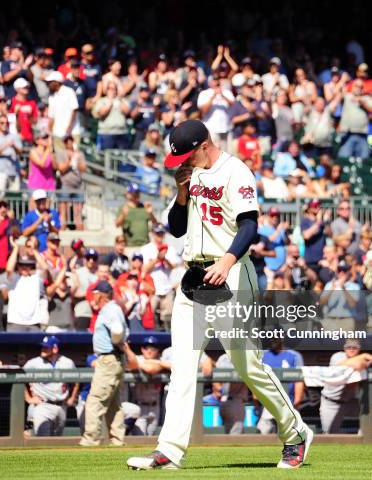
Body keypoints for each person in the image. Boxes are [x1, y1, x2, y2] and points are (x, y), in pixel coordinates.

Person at [127, 119, 312, 471]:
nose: (181, 161)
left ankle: (295, 432)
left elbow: (249, 224)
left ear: (202, 146)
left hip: (230, 275)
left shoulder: (236, 172)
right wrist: (182, 193)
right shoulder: (191, 174)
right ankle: (169, 449)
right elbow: (177, 227)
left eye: (185, 155)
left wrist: (228, 261)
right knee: (182, 366)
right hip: (194, 274)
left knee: (248, 367)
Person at [79, 280, 132, 447]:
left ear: (100, 295)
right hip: (111, 359)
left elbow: (117, 330)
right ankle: (117, 440)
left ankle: (90, 440)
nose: (92, 297)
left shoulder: (111, 309)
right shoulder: (109, 309)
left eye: (94, 294)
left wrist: (117, 342)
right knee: (113, 404)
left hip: (109, 358)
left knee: (95, 400)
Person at [320, 339, 372, 434]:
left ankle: (364, 435)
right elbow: (357, 364)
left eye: (354, 347)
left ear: (359, 349)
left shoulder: (360, 359)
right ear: (344, 348)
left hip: (349, 403)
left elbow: (365, 362)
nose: (351, 349)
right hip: (331, 402)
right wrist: (364, 356)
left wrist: (364, 359)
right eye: (348, 347)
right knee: (329, 435)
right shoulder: (337, 356)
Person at [24, 336, 79, 436]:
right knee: (43, 440)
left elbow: (77, 381)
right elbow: (19, 378)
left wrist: (72, 398)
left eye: (46, 347)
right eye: (42, 347)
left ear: (55, 349)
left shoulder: (67, 362)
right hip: (43, 405)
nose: (43, 349)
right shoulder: (34, 363)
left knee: (56, 442)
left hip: (61, 406)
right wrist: (28, 398)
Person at [256, 339, 304, 436]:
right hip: (267, 402)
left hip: (288, 402)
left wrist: (297, 401)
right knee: (264, 432)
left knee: (289, 434)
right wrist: (256, 399)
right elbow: (256, 378)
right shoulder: (262, 355)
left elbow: (299, 380)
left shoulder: (294, 355)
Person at [141, 224, 180, 331]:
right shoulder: (146, 249)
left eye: (161, 233)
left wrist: (165, 259)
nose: (159, 236)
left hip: (167, 288)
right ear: (153, 233)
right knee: (151, 317)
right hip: (152, 289)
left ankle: (168, 340)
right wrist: (157, 259)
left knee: (168, 318)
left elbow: (173, 266)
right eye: (157, 233)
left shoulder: (170, 248)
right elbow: (144, 269)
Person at [124, 336, 165, 436]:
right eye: (146, 348)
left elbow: (151, 368)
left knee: (151, 440)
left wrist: (157, 363)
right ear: (142, 349)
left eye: (153, 348)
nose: (149, 351)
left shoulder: (161, 360)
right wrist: (157, 364)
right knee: (140, 437)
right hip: (140, 406)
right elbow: (149, 368)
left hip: (155, 408)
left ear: (158, 351)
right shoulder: (136, 359)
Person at [3, 254, 49, 332]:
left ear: (32, 266)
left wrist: (35, 250)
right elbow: (9, 268)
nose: (24, 267)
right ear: (17, 266)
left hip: (34, 323)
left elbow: (45, 268)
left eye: (28, 265)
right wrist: (16, 248)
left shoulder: (36, 278)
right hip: (15, 323)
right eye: (21, 265)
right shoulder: (13, 278)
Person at [212, 352, 249, 434]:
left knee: (232, 434)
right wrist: (219, 389)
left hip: (231, 401)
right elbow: (215, 379)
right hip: (229, 401)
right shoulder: (224, 358)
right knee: (231, 436)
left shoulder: (244, 357)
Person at [0, 113, 23, 195]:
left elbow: (20, 151)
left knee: (14, 196)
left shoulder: (14, 136)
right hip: (0, 170)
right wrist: (5, 146)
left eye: (6, 123)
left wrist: (13, 146)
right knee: (1, 197)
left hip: (13, 170)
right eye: (2, 123)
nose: (4, 125)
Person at [319, 262, 360, 332]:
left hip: (347, 320)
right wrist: (332, 288)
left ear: (348, 272)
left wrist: (343, 288)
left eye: (344, 270)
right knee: (329, 342)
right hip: (331, 319)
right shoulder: (329, 285)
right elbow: (321, 302)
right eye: (339, 270)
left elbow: (352, 304)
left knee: (348, 342)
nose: (341, 272)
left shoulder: (354, 286)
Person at [57, 135, 87, 229]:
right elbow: (61, 169)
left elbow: (84, 169)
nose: (69, 143)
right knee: (63, 209)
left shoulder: (79, 154)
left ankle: (79, 229)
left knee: (78, 210)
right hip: (65, 184)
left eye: (71, 140)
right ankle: (62, 228)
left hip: (78, 185)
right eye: (67, 141)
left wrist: (77, 160)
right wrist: (70, 160)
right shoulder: (61, 153)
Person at [46, 71, 81, 151]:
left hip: (72, 132)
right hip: (57, 133)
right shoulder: (51, 96)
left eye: (50, 82)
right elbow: (51, 117)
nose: (48, 85)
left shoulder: (69, 92)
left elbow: (74, 109)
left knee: (73, 159)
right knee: (60, 160)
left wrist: (69, 127)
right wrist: (49, 132)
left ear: (57, 82)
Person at [115, 183, 157, 249]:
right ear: (127, 194)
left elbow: (156, 224)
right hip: (130, 245)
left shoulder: (144, 207)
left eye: (137, 192)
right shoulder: (123, 207)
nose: (136, 195)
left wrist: (151, 214)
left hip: (145, 245)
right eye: (133, 193)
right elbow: (117, 224)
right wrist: (123, 215)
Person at [92, 82, 130, 150]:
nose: (112, 90)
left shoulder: (122, 100)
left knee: (122, 157)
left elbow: (127, 111)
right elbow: (101, 113)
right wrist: (110, 101)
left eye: (114, 88)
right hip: (106, 133)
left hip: (121, 133)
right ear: (106, 90)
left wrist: (119, 99)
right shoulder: (102, 101)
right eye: (109, 88)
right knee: (106, 157)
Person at [300, 200, 331, 274]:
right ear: (309, 208)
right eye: (314, 206)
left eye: (318, 205)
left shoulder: (323, 222)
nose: (317, 207)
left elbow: (330, 235)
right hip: (311, 261)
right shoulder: (305, 221)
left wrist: (325, 222)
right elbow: (306, 236)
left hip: (323, 260)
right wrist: (319, 222)